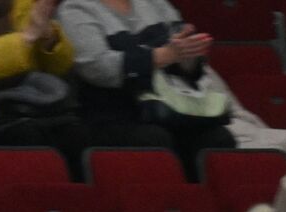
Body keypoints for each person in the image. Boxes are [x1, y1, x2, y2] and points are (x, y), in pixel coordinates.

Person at [58, 0, 236, 177]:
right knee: (153, 139)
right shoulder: (75, 7)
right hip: (113, 113)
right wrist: (160, 56)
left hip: (169, 106)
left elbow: (185, 62)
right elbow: (96, 67)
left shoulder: (155, 3)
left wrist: (188, 54)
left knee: (218, 138)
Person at [0, 0, 91, 178]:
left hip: (30, 106)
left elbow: (60, 67)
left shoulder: (24, 6)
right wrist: (25, 39)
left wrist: (49, 39)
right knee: (26, 139)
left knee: (75, 136)